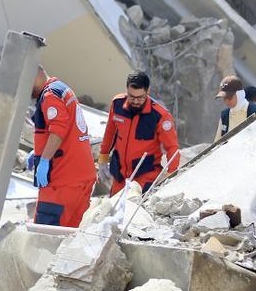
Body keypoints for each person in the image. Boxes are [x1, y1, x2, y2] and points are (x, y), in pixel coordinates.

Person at [30, 66, 96, 227]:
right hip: (81, 179)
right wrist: (38, 151)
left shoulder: (49, 95)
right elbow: (68, 127)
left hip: (62, 181)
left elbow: (58, 129)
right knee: (69, 241)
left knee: (45, 237)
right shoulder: (61, 89)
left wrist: (44, 160)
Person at [98, 71, 181, 195]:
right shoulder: (117, 104)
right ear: (126, 90)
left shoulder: (160, 116)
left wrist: (171, 174)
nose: (135, 101)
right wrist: (103, 158)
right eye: (131, 97)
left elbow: (172, 148)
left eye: (140, 97)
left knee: (135, 211)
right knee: (114, 212)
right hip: (120, 175)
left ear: (147, 92)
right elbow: (110, 132)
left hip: (145, 178)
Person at [215, 75, 256, 140]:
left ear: (239, 94)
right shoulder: (225, 115)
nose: (226, 101)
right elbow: (217, 142)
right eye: (224, 98)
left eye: (229, 97)